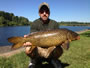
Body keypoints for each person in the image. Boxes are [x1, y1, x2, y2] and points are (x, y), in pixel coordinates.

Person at [24, 2, 63, 68]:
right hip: (39, 48)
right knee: (28, 49)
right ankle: (34, 60)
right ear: (39, 13)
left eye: (46, 11)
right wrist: (27, 40)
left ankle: (54, 60)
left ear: (49, 13)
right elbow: (32, 36)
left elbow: (59, 39)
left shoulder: (55, 23)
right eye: (42, 11)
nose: (44, 13)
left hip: (51, 49)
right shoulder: (34, 23)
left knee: (60, 50)